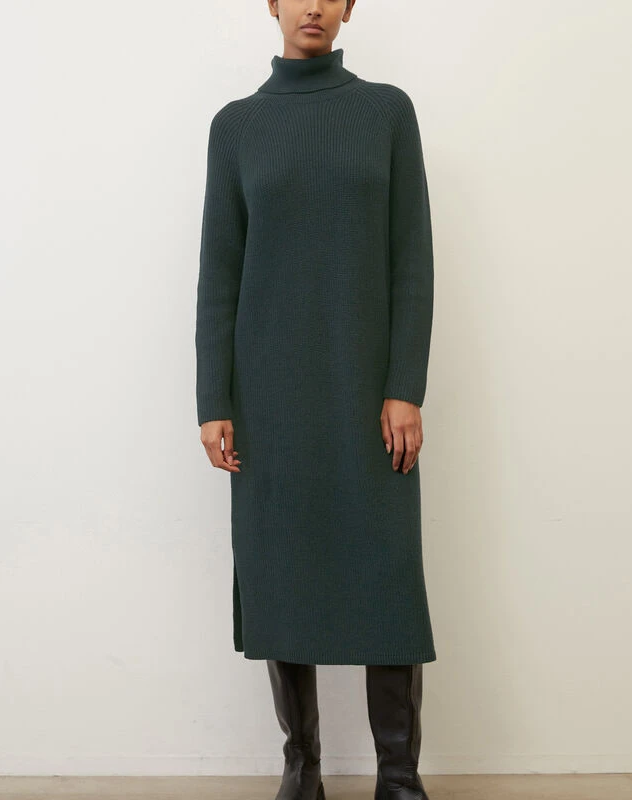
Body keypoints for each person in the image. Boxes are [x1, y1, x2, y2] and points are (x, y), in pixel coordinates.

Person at [195, 1, 436, 798]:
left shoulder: (387, 112)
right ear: (271, 2)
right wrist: (213, 398)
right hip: (269, 399)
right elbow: (220, 274)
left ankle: (399, 775)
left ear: (349, 6)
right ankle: (302, 769)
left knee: (387, 576)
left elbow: (412, 259)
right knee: (281, 574)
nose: (313, 5)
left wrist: (404, 387)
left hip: (369, 396)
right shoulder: (236, 127)